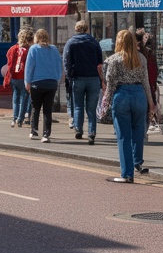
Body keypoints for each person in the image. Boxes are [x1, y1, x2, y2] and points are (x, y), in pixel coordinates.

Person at [103, 29, 155, 182]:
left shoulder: (113, 60)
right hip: (139, 95)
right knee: (138, 133)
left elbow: (110, 83)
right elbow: (146, 81)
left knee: (124, 136)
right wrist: (151, 103)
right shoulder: (141, 58)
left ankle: (127, 174)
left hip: (122, 95)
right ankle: (137, 161)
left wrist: (106, 103)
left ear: (118, 42)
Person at [63, 20, 103, 145]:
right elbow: (100, 62)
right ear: (87, 29)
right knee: (91, 108)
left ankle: (78, 130)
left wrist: (69, 76)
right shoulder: (94, 42)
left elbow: (66, 61)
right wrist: (101, 78)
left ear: (76, 29)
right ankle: (91, 133)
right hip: (93, 78)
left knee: (78, 106)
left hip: (77, 78)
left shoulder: (70, 42)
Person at [24, 27, 61, 143]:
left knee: (35, 108)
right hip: (51, 83)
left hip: (37, 83)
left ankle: (34, 131)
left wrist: (27, 82)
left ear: (36, 38)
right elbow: (59, 65)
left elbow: (29, 67)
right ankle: (46, 134)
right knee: (47, 110)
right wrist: (57, 80)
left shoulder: (34, 49)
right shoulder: (54, 49)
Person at [5, 28, 32, 127]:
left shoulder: (13, 48)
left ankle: (14, 117)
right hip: (24, 76)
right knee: (24, 98)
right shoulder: (29, 49)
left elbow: (8, 59)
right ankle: (20, 119)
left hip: (14, 76)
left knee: (15, 97)